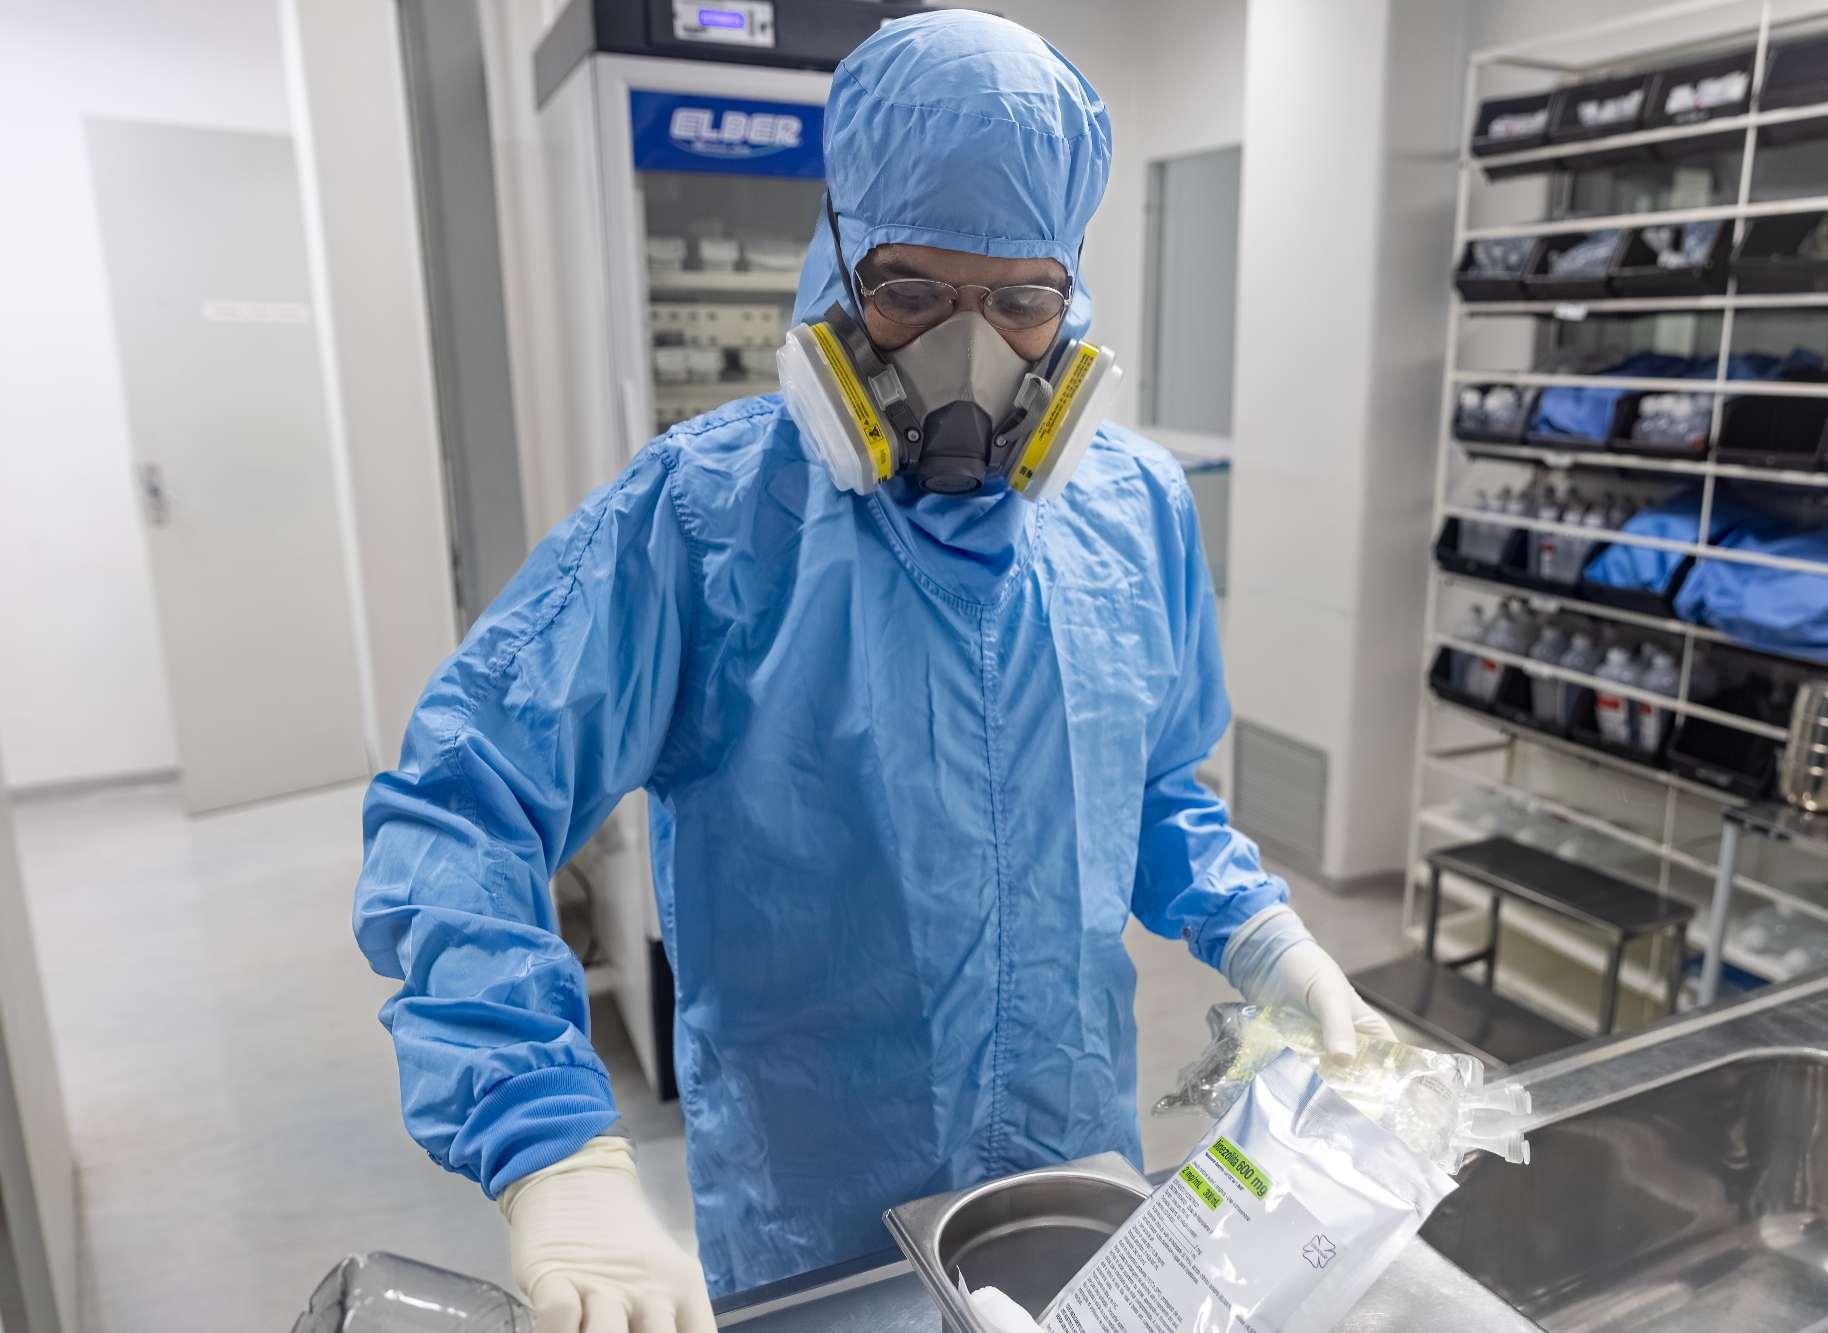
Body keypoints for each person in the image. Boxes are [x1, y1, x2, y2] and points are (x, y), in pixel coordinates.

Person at [353, 11, 1389, 1332]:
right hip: (815, 1228)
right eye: (910, 292)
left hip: (1070, 1185)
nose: (969, 352)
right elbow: (459, 804)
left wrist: (1264, 936)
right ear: (838, 265)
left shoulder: (1134, 510)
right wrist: (547, 1138)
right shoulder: (706, 518)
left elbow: (1148, 791)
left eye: (1019, 301)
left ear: (1072, 294)